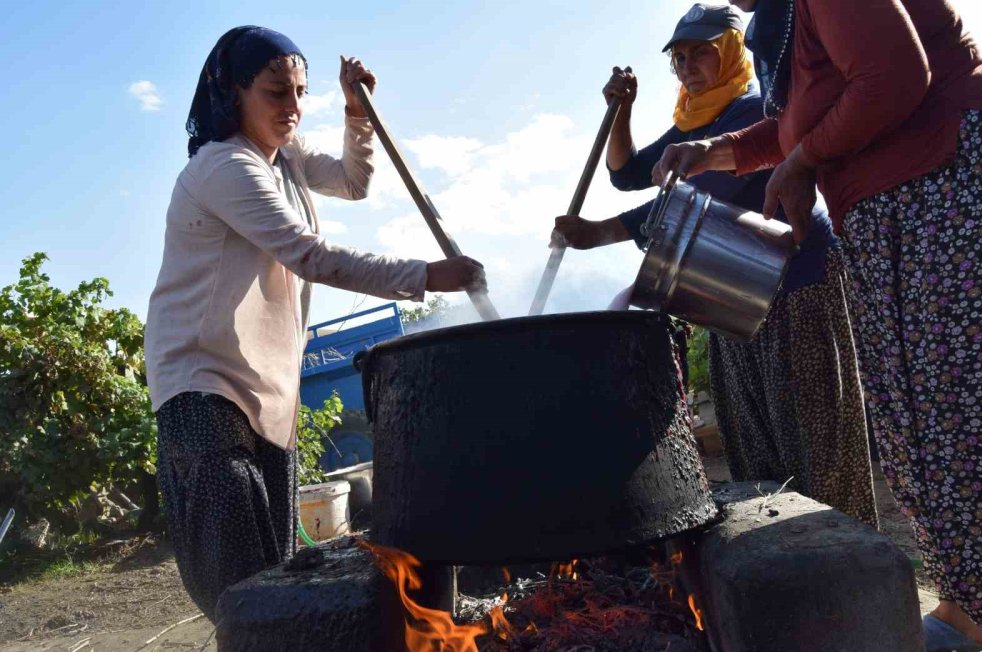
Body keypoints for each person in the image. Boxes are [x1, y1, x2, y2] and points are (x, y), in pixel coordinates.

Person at [656, 0, 982, 646]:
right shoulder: (782, 28)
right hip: (894, 217)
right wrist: (712, 153)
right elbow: (792, 129)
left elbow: (895, 74)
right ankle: (974, 606)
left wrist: (804, 159)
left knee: (967, 413)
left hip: (948, 188)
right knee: (924, 429)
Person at [144, 26, 486, 620]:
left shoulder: (288, 160)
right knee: (242, 586)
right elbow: (310, 256)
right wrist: (429, 274)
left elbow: (355, 182)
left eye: (301, 92)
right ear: (233, 91)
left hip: (265, 386)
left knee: (272, 574)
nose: (293, 108)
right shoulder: (224, 168)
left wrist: (357, 114)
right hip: (204, 386)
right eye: (277, 92)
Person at [553, 3, 878, 527]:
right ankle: (778, 553)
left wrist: (603, 232)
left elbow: (705, 187)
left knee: (812, 433)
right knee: (754, 435)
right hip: (728, 293)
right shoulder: (692, 120)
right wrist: (621, 112)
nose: (686, 66)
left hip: (794, 280)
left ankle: (845, 555)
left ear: (729, 51)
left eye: (699, 53)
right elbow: (627, 174)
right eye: (678, 57)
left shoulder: (755, 109)